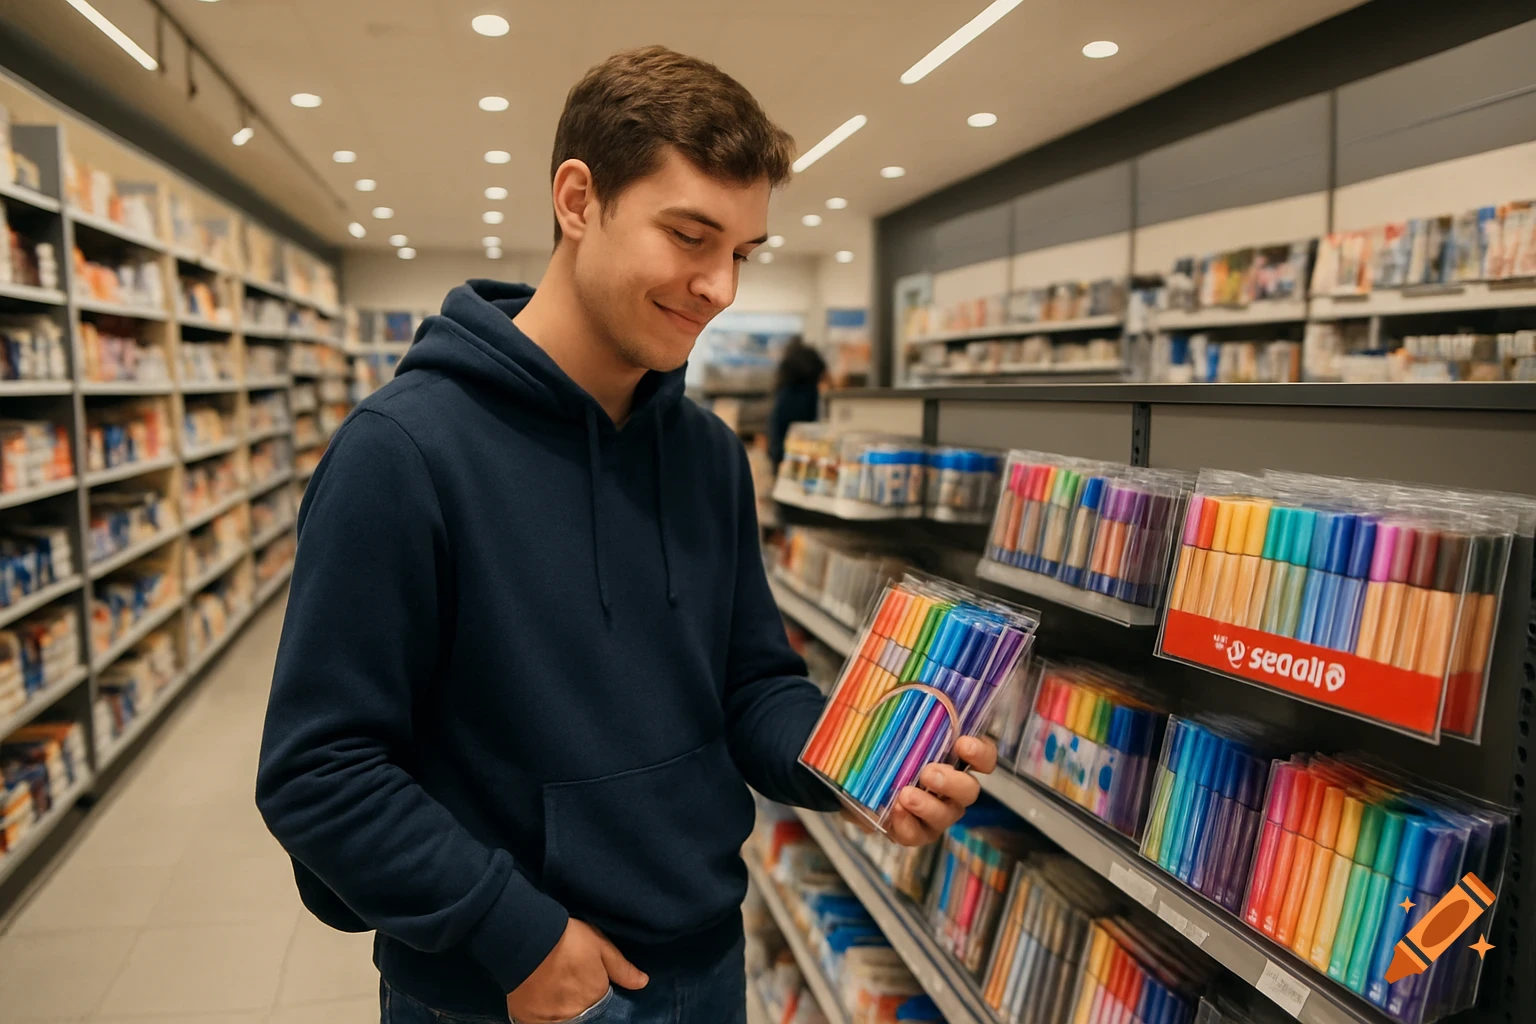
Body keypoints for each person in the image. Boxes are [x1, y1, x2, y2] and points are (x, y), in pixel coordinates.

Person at [256, 46, 997, 1024]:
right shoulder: (401, 455)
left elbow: (751, 686)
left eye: (742, 251)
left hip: (705, 962)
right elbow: (319, 770)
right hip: (507, 989)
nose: (721, 286)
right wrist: (513, 936)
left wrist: (858, 759)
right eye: (690, 236)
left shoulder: (708, 457)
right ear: (577, 199)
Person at [766, 336, 825, 470]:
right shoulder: (806, 391)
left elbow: (776, 425)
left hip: (789, 451)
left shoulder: (787, 390)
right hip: (796, 452)